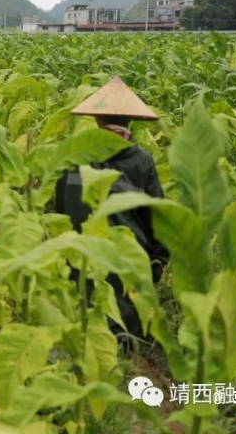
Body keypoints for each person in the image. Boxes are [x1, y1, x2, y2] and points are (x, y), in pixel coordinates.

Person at [54, 77, 168, 346]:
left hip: (79, 255)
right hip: (125, 259)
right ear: (129, 121)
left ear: (96, 120)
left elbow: (59, 210)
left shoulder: (72, 156)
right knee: (123, 334)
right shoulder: (141, 161)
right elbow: (157, 217)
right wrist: (158, 259)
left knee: (83, 330)